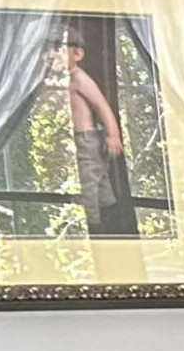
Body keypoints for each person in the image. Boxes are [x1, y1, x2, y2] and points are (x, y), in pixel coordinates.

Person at [49, 31, 135, 233]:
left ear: (77, 54)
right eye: (51, 51)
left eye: (60, 50)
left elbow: (102, 107)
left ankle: (96, 230)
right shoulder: (66, 80)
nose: (53, 56)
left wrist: (113, 135)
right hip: (82, 140)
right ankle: (112, 224)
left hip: (88, 140)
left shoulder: (80, 79)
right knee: (101, 185)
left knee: (89, 188)